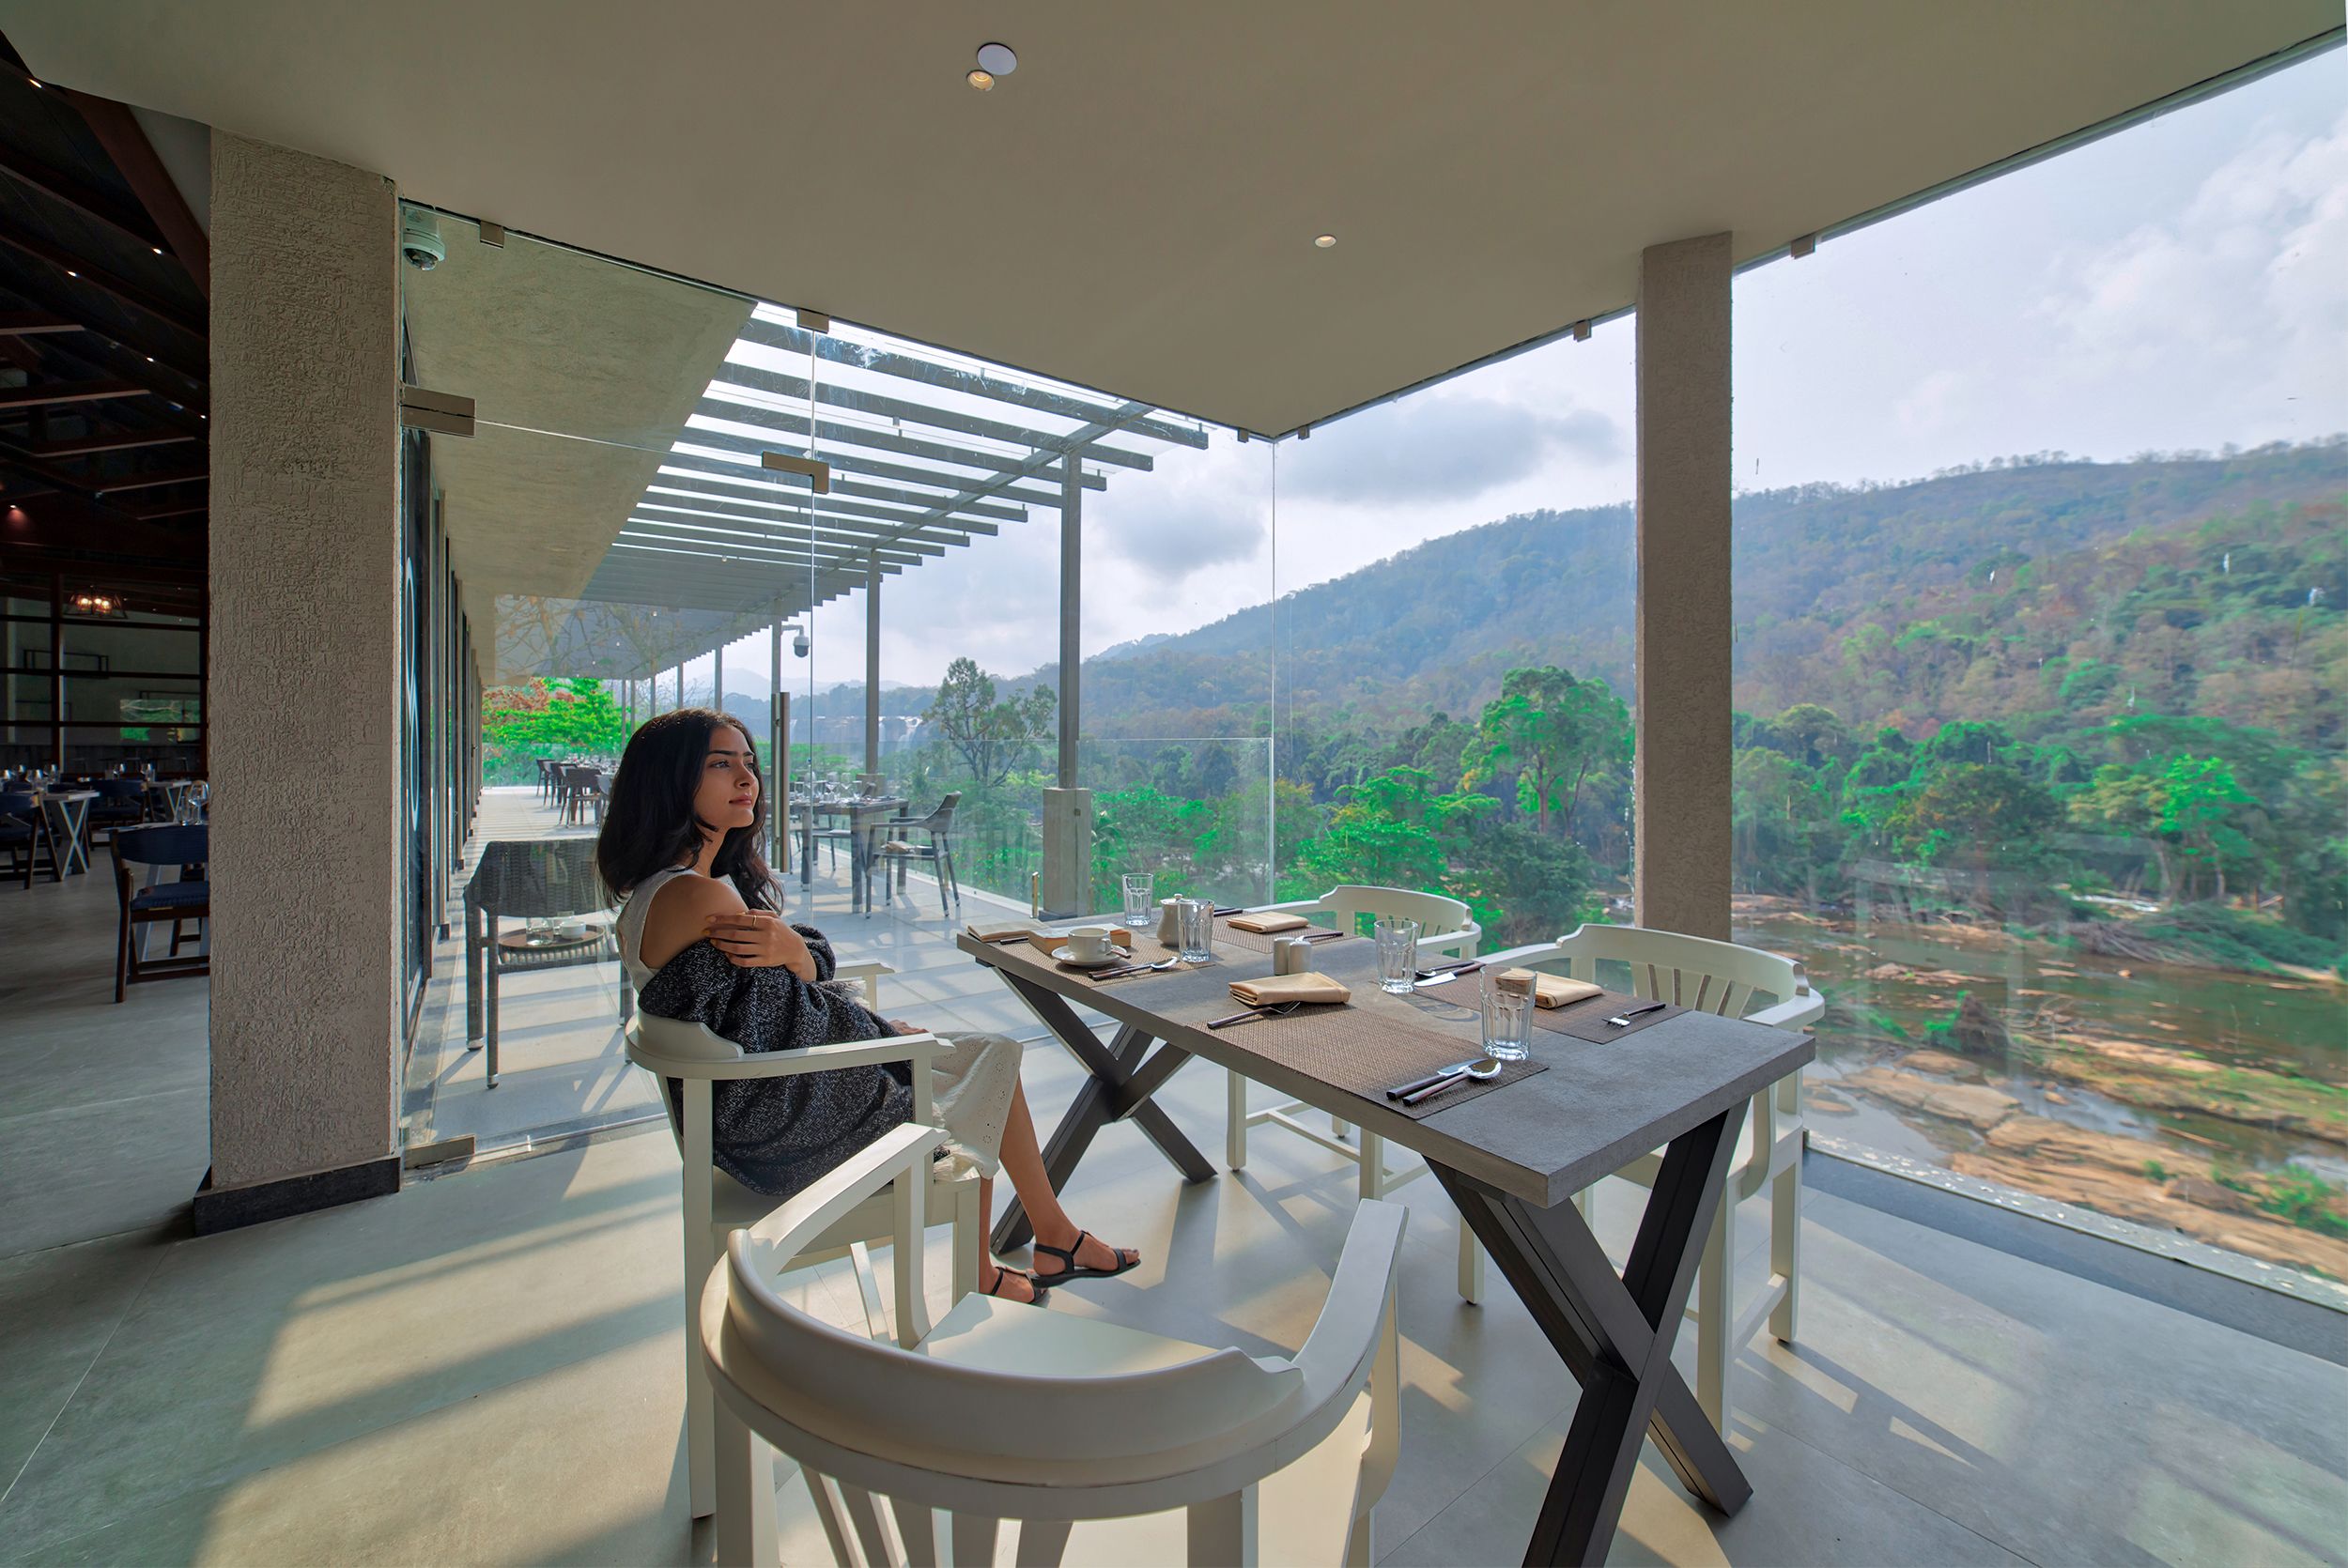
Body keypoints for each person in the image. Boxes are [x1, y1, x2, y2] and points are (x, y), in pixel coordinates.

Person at [599, 708, 1137, 1303]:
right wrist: (878, 1028)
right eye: (721, 765)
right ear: (670, 780)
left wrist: (804, 962)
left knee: (987, 1055)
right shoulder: (696, 897)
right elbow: (786, 1010)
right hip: (781, 1123)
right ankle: (994, 1264)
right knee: (986, 1067)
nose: (747, 779)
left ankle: (1053, 1234)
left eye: (749, 763)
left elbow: (785, 995)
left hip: (761, 1103)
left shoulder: (672, 889)